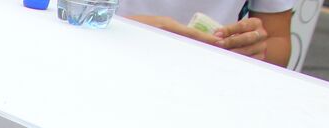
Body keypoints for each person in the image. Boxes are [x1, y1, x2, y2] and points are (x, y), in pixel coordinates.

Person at [120, 1, 294, 67]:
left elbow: (277, 40)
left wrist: (253, 47)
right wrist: (134, 30)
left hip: (205, 82)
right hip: (106, 63)